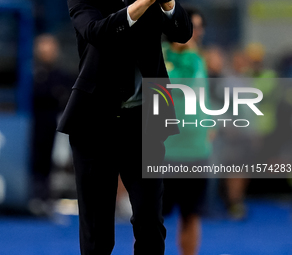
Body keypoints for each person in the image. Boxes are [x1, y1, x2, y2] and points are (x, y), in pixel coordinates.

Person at [56, 0, 193, 254]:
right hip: (94, 125)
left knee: (150, 221)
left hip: (145, 124)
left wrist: (169, 4)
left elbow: (182, 33)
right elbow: (96, 32)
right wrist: (142, 3)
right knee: (97, 230)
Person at [162, 6, 212, 255]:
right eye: (192, 26)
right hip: (162, 154)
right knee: (151, 220)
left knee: (191, 216)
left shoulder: (201, 59)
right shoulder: (157, 56)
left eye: (199, 27)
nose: (197, 33)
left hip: (196, 153)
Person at [30, 34, 73, 216]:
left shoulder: (61, 74)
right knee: (34, 160)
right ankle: (33, 197)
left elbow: (66, 94)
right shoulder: (30, 72)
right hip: (31, 123)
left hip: (52, 123)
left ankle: (45, 198)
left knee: (49, 161)